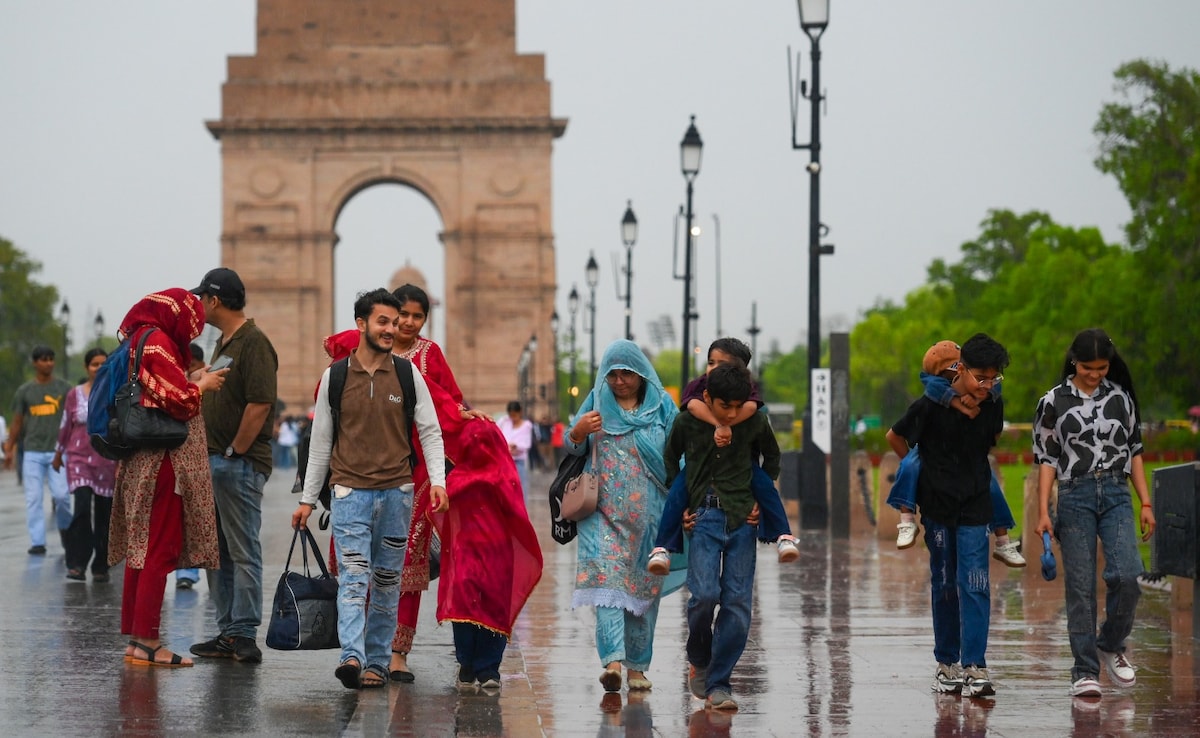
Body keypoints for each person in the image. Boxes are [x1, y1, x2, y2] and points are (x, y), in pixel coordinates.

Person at [321, 282, 491, 683]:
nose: (410, 324)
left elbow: (449, 404)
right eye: (404, 316)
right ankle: (356, 650)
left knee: (403, 569)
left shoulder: (431, 356)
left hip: (410, 477)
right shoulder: (357, 352)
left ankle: (397, 653)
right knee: (358, 565)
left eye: (418, 316)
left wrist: (462, 417)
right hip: (357, 473)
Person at [293, 287, 448, 690]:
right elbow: (320, 443)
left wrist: (438, 482)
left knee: (385, 580)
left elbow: (431, 431)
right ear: (361, 324)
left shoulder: (408, 374)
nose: (392, 329)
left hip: (396, 495)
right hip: (349, 495)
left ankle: (378, 661)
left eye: (395, 323)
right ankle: (352, 655)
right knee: (353, 577)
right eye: (384, 321)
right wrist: (308, 500)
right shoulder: (336, 376)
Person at [1033, 328, 1156, 698]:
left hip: (1117, 493)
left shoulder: (1120, 398)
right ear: (1074, 360)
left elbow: (1134, 450)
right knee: (1081, 588)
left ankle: (1110, 643)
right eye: (1088, 367)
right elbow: (1046, 459)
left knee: (1128, 575)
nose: (1095, 374)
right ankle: (1084, 670)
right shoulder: (1052, 402)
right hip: (1074, 494)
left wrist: (1145, 502)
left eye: (1102, 368)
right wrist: (1043, 510)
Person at [108, 288, 227, 667]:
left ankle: (135, 638)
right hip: (164, 461)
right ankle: (148, 641)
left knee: (140, 547)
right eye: (191, 323)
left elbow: (157, 390)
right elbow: (179, 402)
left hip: (142, 458)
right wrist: (201, 386)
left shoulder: (139, 339)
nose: (192, 333)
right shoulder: (159, 342)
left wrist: (189, 377)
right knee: (159, 547)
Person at [886, 333, 1009, 698]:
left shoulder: (992, 405)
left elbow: (989, 441)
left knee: (975, 583)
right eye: (980, 377)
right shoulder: (928, 405)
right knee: (945, 585)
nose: (987, 385)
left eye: (994, 378)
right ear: (961, 370)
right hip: (938, 506)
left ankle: (975, 665)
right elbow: (895, 436)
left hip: (974, 505)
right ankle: (947, 664)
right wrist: (916, 465)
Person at [664, 359, 782, 712]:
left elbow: (772, 458)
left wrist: (761, 499)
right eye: (724, 406)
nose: (730, 414)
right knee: (703, 595)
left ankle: (719, 682)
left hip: (742, 520)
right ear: (708, 395)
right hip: (703, 516)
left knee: (738, 603)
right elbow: (671, 460)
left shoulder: (755, 421)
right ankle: (699, 654)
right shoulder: (688, 420)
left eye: (736, 406)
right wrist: (680, 503)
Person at [565, 339, 678, 694]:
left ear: (642, 373)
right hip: (602, 515)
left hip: (651, 519)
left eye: (626, 374)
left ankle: (637, 668)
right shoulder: (597, 402)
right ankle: (613, 662)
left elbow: (682, 453)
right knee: (607, 586)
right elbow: (572, 445)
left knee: (643, 593)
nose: (618, 381)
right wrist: (580, 431)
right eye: (612, 374)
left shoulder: (663, 406)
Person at [189, 267, 279, 664]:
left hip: (236, 464)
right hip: (216, 461)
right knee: (217, 551)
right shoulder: (224, 341)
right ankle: (228, 631)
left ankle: (243, 632)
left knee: (242, 551)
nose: (199, 305)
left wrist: (234, 452)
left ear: (215, 300)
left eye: (202, 298)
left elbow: (260, 403)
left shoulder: (254, 341)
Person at [648, 337, 797, 574]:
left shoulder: (746, 388)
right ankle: (662, 547)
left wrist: (728, 422)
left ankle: (783, 535)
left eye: (721, 364)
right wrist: (719, 424)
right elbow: (693, 406)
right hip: (700, 468)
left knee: (766, 487)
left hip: (741, 467)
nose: (713, 369)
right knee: (677, 491)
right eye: (710, 362)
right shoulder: (698, 386)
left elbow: (751, 408)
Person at [889, 340, 1025, 567]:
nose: (953, 375)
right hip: (930, 458)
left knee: (989, 482)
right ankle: (906, 520)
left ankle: (1002, 540)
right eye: (949, 370)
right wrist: (960, 405)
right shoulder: (933, 390)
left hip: (969, 472)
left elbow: (992, 393)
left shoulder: (987, 390)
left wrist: (978, 397)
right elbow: (894, 435)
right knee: (910, 466)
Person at [54, 348, 119, 582]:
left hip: (107, 462)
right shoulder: (74, 394)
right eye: (94, 364)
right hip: (79, 459)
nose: (99, 368)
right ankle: (77, 563)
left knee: (104, 514)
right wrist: (58, 453)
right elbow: (65, 425)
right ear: (86, 367)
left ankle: (101, 565)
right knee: (81, 509)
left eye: (103, 364)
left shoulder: (115, 395)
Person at [4, 345, 73, 555]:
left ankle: (66, 532)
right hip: (32, 451)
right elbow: (17, 422)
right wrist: (9, 449)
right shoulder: (25, 391)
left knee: (62, 496)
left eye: (51, 359)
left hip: (58, 451)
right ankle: (37, 542)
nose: (48, 363)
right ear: (35, 363)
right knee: (33, 497)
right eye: (43, 359)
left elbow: (73, 419)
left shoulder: (64, 389)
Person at [175, 342, 206, 591]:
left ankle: (190, 570)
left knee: (194, 518)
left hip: (202, 461)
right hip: (177, 459)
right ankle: (183, 570)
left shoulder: (211, 384)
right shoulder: (174, 386)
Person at [497, 400, 535, 494]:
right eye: (511, 415)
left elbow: (526, 444)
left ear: (520, 412)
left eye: (515, 415)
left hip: (518, 461)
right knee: (504, 489)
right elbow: (497, 433)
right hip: (505, 461)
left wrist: (516, 446)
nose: (513, 418)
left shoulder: (526, 426)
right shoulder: (505, 422)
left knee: (520, 489)